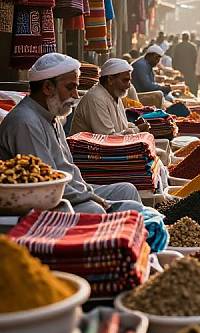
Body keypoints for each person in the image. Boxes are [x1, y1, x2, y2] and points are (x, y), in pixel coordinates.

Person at [0, 53, 143, 214]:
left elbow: (69, 169)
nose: (75, 95)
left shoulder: (52, 115)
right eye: (70, 87)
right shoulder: (25, 122)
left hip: (69, 191)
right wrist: (90, 197)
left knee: (127, 190)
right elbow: (47, 187)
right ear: (47, 87)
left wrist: (88, 192)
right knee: (95, 210)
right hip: (44, 202)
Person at [71, 58, 150, 136]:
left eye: (129, 80)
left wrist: (135, 126)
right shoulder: (96, 98)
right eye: (125, 80)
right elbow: (108, 138)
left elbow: (122, 126)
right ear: (110, 80)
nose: (129, 85)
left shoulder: (115, 95)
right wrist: (137, 129)